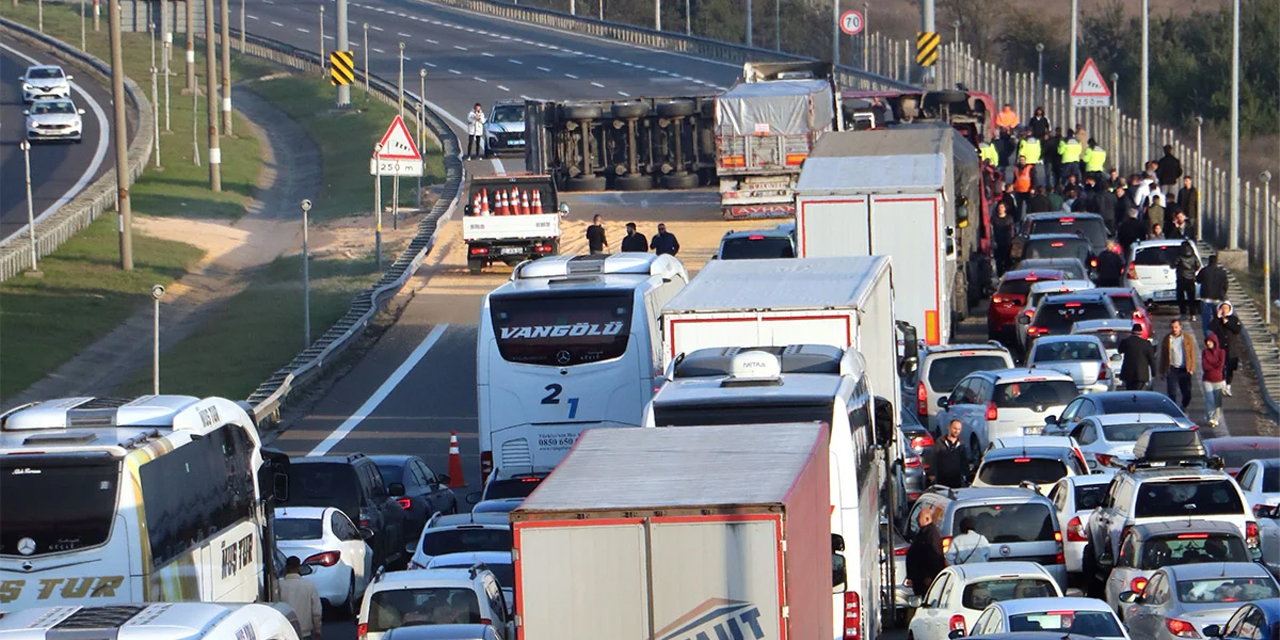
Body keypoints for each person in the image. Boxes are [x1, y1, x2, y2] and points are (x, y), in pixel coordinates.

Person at [906, 507, 947, 598]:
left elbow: (936, 556)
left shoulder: (931, 534)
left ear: (927, 519)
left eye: (919, 517)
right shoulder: (923, 532)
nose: (917, 520)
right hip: (919, 578)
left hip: (926, 579)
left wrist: (930, 576)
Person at [279, 557, 322, 640]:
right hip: (305, 633)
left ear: (286, 567)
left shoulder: (279, 586)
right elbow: (317, 611)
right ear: (299, 567)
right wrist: (317, 630)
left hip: (286, 632)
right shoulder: (309, 586)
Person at [1159, 318, 1198, 410]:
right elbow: (1163, 356)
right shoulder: (1167, 339)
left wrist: (1191, 368)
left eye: (1176, 327)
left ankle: (1184, 405)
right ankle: (1174, 409)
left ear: (1180, 327)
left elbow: (1192, 353)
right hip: (1172, 368)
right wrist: (1162, 370)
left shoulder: (1187, 338)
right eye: (1172, 327)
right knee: (1171, 391)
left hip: (1184, 369)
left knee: (1187, 392)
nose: (1174, 329)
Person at [1209, 301, 1244, 396]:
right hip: (1220, 348)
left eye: (1226, 308)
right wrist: (1218, 317)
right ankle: (1222, 384)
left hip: (1231, 347)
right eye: (1222, 308)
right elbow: (1211, 327)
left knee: (1230, 368)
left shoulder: (1233, 319)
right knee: (1220, 366)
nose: (1224, 310)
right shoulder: (1217, 320)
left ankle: (1228, 385)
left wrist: (1227, 322)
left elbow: (1237, 329)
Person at [931, 419, 969, 488]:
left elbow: (964, 461)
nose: (956, 431)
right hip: (942, 479)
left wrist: (966, 475)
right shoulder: (940, 442)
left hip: (956, 479)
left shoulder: (961, 445)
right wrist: (932, 473)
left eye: (959, 429)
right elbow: (934, 458)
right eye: (955, 428)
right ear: (949, 427)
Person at [1197, 254, 1228, 335]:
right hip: (1217, 299)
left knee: (1206, 320)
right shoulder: (1222, 272)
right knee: (1217, 319)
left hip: (1205, 298)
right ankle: (1217, 336)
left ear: (1209, 261)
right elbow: (1225, 285)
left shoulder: (1204, 270)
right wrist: (1222, 294)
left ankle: (1208, 338)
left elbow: (1198, 280)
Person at [1119, 322, 1156, 390]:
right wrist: (1154, 373)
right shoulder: (1146, 344)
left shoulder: (1126, 342)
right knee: (1140, 394)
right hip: (1141, 374)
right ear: (1141, 332)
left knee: (1129, 393)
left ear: (1132, 332)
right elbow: (1151, 359)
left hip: (1128, 374)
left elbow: (1120, 350)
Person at [1201, 333, 1226, 428]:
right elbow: (1205, 366)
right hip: (1207, 380)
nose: (1208, 343)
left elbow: (1220, 365)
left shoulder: (1221, 352)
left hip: (1218, 380)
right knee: (1209, 399)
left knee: (1218, 401)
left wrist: (1211, 363)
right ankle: (1211, 417)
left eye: (1210, 341)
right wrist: (1214, 364)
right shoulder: (1205, 352)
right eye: (1207, 341)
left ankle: (1217, 418)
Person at [1175, 240, 1200, 319]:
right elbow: (1198, 265)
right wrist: (1192, 271)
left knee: (1181, 297)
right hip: (1191, 279)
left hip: (1181, 278)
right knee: (1191, 298)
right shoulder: (1193, 256)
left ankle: (1183, 313)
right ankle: (1193, 314)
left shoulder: (1180, 256)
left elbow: (1173, 264)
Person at [991, 201, 1016, 275]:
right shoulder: (994, 219)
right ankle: (1000, 274)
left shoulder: (1009, 218)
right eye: (999, 207)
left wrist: (1012, 239)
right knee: (998, 260)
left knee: (1007, 259)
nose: (1000, 209)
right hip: (998, 242)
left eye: (1002, 207)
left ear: (1005, 209)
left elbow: (1012, 230)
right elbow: (991, 230)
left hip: (1007, 242)